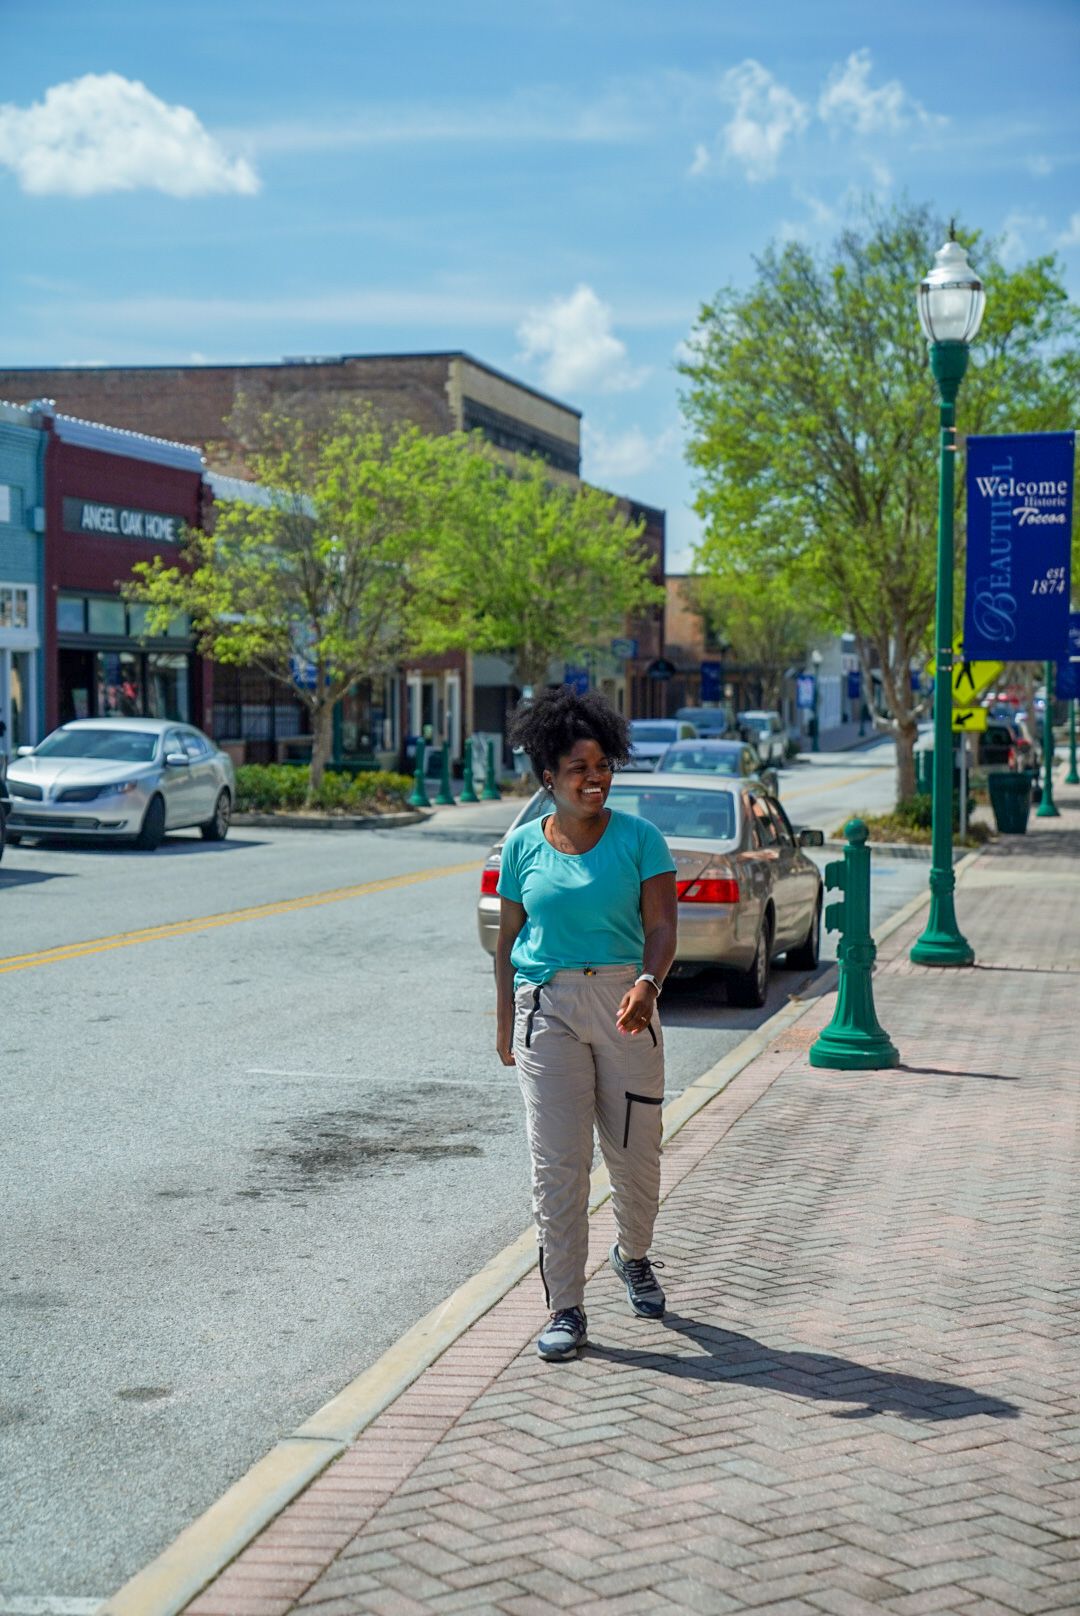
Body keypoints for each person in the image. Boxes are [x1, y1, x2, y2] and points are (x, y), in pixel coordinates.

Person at [495, 687, 678, 1362]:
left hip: (628, 1007)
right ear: (548, 775)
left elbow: (662, 927)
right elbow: (507, 942)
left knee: (636, 1160)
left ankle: (633, 1255)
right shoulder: (521, 847)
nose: (594, 777)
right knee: (558, 1167)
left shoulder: (640, 839)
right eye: (578, 766)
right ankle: (566, 1307)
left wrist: (647, 985)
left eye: (602, 764)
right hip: (547, 1010)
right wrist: (501, 1026)